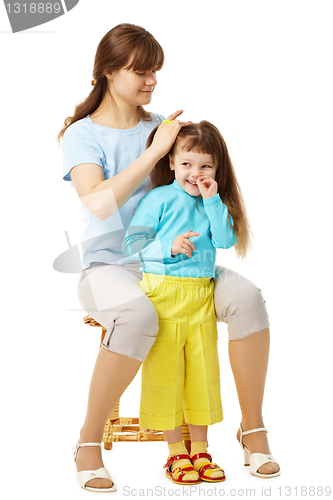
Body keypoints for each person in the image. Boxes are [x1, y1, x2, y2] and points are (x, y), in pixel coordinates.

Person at [59, 23, 280, 492]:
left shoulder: (162, 126)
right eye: (140, 72)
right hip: (109, 267)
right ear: (107, 72)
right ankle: (87, 442)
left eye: (155, 72)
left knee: (248, 299)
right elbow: (98, 202)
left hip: (182, 263)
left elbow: (199, 180)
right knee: (137, 315)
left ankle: (252, 429)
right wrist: (156, 149)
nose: (151, 81)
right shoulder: (82, 135)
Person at [122, 120, 241, 484]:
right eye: (187, 163)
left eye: (205, 165)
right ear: (172, 161)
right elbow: (133, 246)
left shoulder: (212, 202)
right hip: (163, 292)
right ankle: (175, 453)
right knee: (166, 374)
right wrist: (167, 247)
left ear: (216, 168)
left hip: (200, 296)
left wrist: (212, 199)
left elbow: (224, 240)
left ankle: (201, 450)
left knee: (203, 373)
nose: (196, 173)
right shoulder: (157, 198)